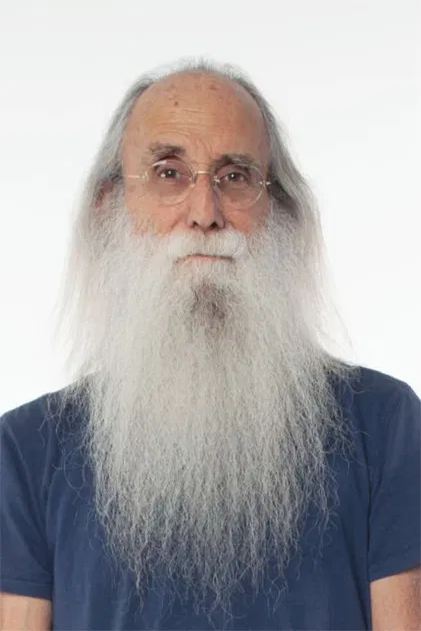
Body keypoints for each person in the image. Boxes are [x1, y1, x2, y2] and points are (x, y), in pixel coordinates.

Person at [1, 59, 420, 631]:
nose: (204, 214)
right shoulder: (27, 451)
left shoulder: (384, 424)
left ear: (279, 211)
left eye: (236, 176)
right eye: (169, 173)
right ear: (109, 207)